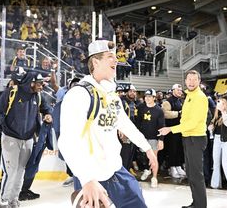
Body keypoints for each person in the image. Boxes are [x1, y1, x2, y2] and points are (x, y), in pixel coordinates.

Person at [58, 39, 157, 208]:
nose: (116, 60)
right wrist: (86, 178)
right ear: (95, 62)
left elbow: (125, 124)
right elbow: (66, 142)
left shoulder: (110, 94)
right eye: (110, 57)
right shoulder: (78, 95)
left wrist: (147, 148)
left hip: (115, 170)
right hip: (91, 177)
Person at [0, 70, 52, 208]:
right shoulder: (12, 92)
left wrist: (48, 115)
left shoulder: (38, 95)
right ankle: (4, 201)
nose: (41, 86)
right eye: (39, 83)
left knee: (20, 171)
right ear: (31, 82)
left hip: (28, 139)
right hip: (10, 138)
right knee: (11, 170)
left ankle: (14, 200)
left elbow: (46, 108)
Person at [158, 70, 208, 208]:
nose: (191, 82)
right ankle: (196, 203)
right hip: (188, 137)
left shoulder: (200, 97)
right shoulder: (189, 96)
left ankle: (200, 206)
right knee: (191, 175)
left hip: (195, 138)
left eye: (194, 79)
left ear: (199, 81)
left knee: (196, 175)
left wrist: (170, 129)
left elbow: (193, 123)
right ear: (185, 81)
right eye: (189, 79)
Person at [136, 89, 165, 188]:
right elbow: (138, 123)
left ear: (154, 98)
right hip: (143, 137)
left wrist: (161, 140)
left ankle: (154, 177)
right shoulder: (141, 107)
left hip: (154, 138)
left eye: (149, 96)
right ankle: (147, 170)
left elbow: (162, 126)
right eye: (146, 96)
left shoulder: (159, 110)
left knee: (154, 158)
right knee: (144, 157)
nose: (147, 98)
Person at [162, 84, 186, 178]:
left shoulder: (180, 101)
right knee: (172, 149)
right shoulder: (167, 102)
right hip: (171, 129)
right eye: (178, 90)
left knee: (179, 148)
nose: (180, 91)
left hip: (179, 128)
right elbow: (165, 113)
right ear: (173, 91)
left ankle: (178, 165)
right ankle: (172, 167)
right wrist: (178, 114)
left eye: (181, 90)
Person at [209, 94, 227, 195]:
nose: (220, 104)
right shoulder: (217, 113)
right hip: (217, 139)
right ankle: (215, 184)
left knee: (225, 163)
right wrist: (211, 126)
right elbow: (214, 122)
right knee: (215, 162)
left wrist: (223, 110)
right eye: (219, 102)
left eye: (223, 102)